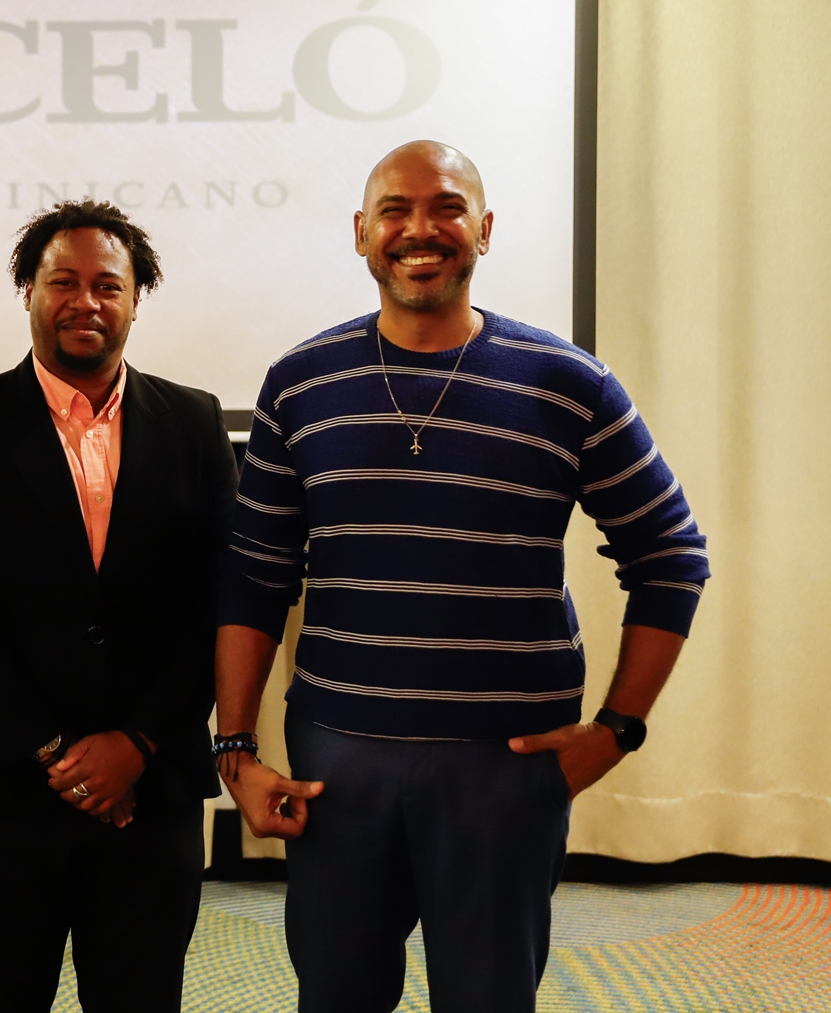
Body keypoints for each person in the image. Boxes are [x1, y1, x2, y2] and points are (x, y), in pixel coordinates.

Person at [215, 140, 711, 1012]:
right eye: (394, 210)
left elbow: (669, 554)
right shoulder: (299, 384)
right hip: (336, 759)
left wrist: (615, 730)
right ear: (360, 233)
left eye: (446, 207)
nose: (420, 229)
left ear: (483, 229)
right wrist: (234, 748)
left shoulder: (568, 383)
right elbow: (254, 575)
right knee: (335, 995)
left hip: (504, 768)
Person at [0, 199, 238, 1013]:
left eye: (107, 285)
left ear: (135, 299)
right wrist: (57, 752)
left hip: (150, 790)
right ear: (27, 290)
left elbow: (217, 597)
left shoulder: (194, 422)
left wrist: (137, 740)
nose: (84, 301)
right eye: (62, 281)